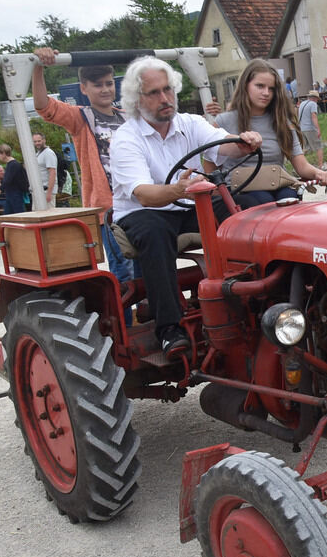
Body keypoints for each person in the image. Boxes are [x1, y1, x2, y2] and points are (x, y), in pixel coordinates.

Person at [110, 56, 261, 358]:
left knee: (246, 211)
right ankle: (169, 329)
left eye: (168, 90)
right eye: (154, 93)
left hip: (189, 205)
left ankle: (256, 302)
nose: (165, 99)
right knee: (154, 232)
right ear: (137, 100)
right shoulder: (126, 138)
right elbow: (144, 195)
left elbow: (224, 144)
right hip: (145, 213)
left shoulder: (190, 123)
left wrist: (244, 141)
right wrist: (178, 189)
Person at [31, 47, 134, 289]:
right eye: (98, 85)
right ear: (83, 88)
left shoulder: (128, 117)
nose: (106, 89)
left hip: (137, 202)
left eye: (109, 83)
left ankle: (151, 317)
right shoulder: (81, 118)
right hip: (109, 209)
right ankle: (126, 323)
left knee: (149, 268)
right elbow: (43, 105)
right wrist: (39, 67)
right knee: (125, 273)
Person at [212, 58, 327, 207]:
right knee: (263, 200)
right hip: (240, 190)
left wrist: (319, 173)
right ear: (245, 86)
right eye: (260, 86)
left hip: (276, 183)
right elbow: (210, 167)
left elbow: (301, 165)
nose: (266, 93)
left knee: (290, 197)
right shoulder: (224, 121)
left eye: (271, 88)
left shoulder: (282, 122)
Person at [0, 144, 28, 214]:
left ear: (3, 153)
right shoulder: (10, 165)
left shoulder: (13, 165)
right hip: (10, 195)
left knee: (19, 216)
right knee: (8, 217)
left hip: (16, 195)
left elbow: (7, 181)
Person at [297, 90, 327, 170]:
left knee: (305, 149)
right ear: (314, 98)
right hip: (310, 128)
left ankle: (298, 167)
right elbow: (314, 116)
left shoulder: (302, 104)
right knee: (319, 147)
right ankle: (321, 166)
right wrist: (318, 129)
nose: (317, 101)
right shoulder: (313, 104)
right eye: (317, 99)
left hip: (301, 128)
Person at [32, 132, 58, 206]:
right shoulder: (38, 154)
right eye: (35, 141)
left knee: (48, 214)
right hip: (38, 191)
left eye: (39, 141)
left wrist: (49, 193)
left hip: (46, 191)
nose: (37, 143)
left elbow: (52, 173)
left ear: (44, 140)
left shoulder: (48, 153)